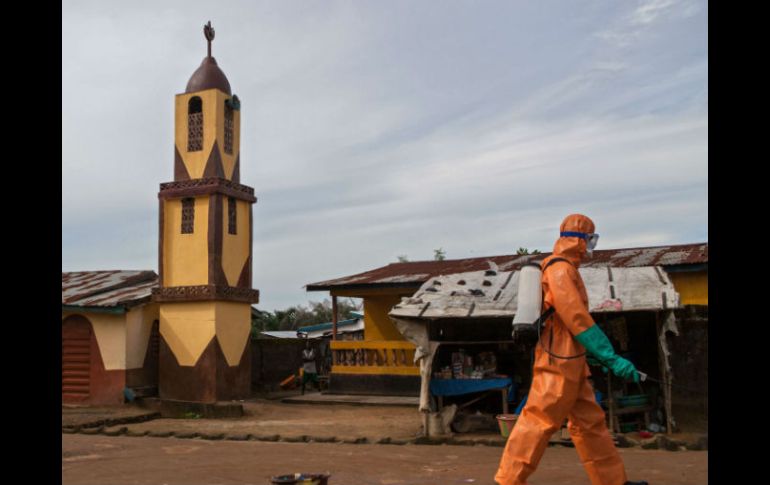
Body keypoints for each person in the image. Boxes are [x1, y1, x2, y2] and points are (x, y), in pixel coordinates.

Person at [495, 214, 647, 485]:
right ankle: (507, 481)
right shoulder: (560, 270)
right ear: (578, 239)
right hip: (558, 358)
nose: (591, 246)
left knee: (590, 425)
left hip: (572, 359)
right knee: (539, 421)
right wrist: (609, 356)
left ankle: (613, 482)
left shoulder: (567, 268)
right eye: (590, 239)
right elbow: (576, 318)